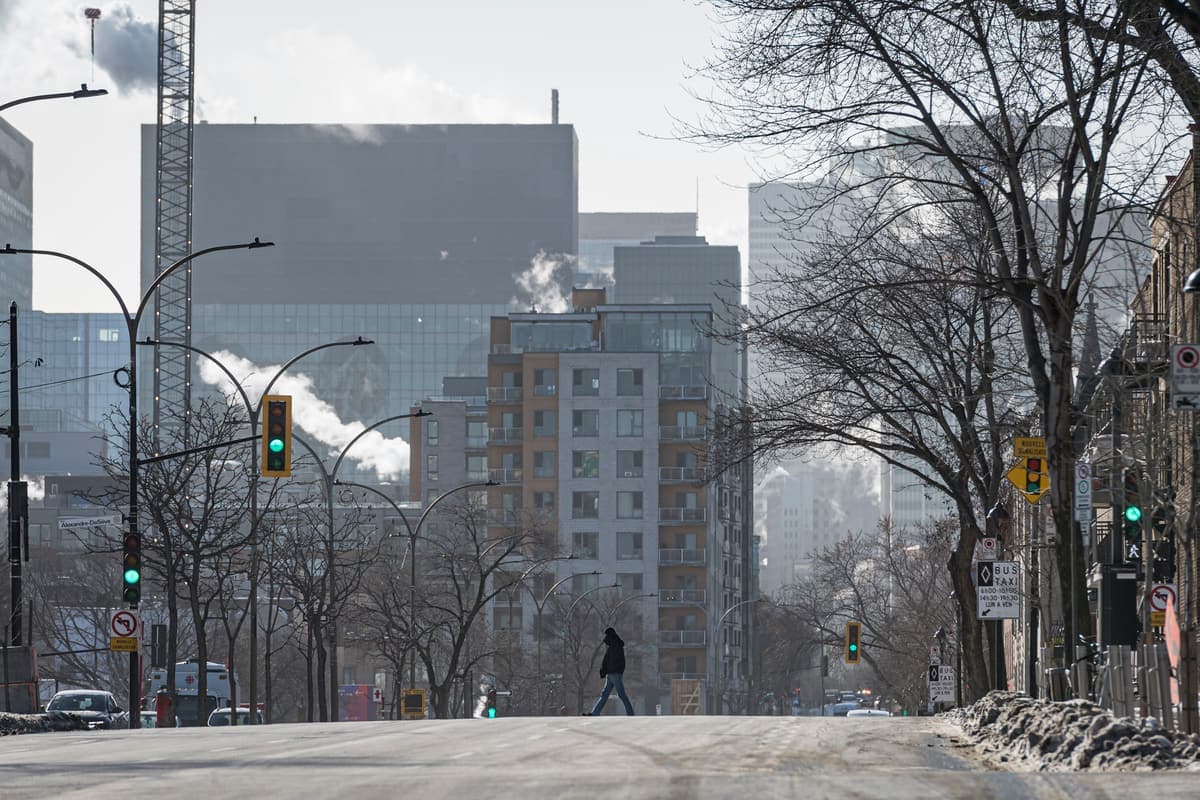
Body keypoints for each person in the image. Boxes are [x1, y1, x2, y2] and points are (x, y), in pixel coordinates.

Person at [585, 627, 634, 716]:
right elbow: (617, 661)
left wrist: (605, 670)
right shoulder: (617, 646)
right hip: (613, 674)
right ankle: (595, 712)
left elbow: (607, 660)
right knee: (606, 694)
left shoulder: (614, 646)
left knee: (619, 694)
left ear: (610, 636)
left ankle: (630, 713)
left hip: (613, 674)